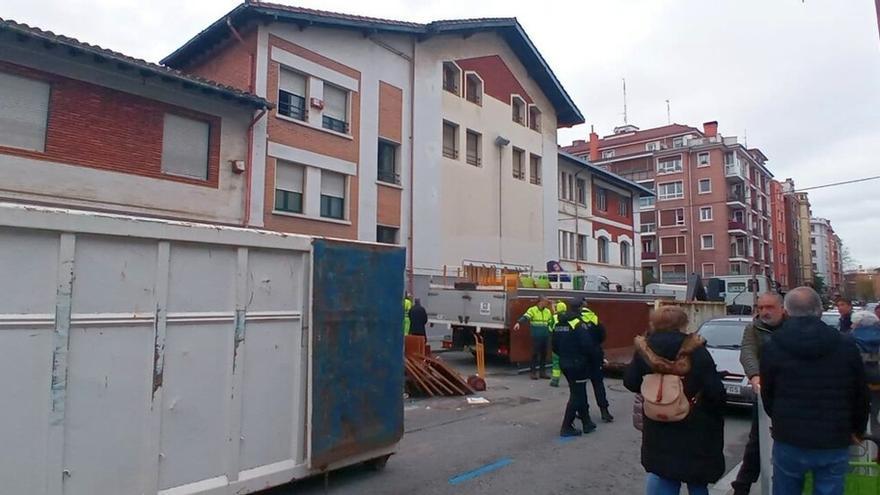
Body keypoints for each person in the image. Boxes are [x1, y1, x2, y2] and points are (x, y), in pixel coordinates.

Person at [761, 287, 869, 495]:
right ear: (819, 310)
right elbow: (859, 392)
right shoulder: (845, 344)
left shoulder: (773, 344)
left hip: (790, 436)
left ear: (787, 311)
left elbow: (768, 392)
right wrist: (857, 428)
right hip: (834, 436)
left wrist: (778, 419)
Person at [624, 306, 726, 495]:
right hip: (694, 425)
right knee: (697, 480)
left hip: (658, 425)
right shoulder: (696, 350)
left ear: (654, 323)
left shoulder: (644, 350)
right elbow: (715, 392)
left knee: (663, 474)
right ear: (683, 323)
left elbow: (630, 382)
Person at [731, 293, 786, 495]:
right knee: (757, 440)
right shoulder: (754, 328)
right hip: (765, 392)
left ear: (782, 308)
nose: (764, 312)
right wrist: (755, 376)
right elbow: (747, 351)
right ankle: (742, 486)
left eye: (769, 307)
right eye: (760, 307)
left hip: (792, 391)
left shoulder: (793, 327)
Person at [552, 299, 598, 436]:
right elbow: (587, 345)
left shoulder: (559, 322)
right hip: (577, 363)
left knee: (579, 391)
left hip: (565, 362)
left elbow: (554, 345)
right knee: (577, 394)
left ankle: (586, 422)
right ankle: (566, 426)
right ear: (580, 308)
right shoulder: (578, 324)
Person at [580, 298, 613, 423]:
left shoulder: (574, 320)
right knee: (598, 383)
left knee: (580, 386)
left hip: (581, 356)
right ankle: (604, 411)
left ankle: (582, 412)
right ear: (586, 305)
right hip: (595, 354)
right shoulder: (594, 318)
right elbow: (602, 335)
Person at [852, 311, 880, 434]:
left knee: (861, 415)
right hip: (878, 384)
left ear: (857, 324)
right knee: (876, 415)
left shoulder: (850, 339)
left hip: (859, 385)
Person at [514, 296, 553, 380]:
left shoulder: (548, 311)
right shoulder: (532, 310)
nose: (546, 303)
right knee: (534, 354)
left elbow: (550, 323)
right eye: (545, 301)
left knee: (544, 355)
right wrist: (518, 323)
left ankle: (542, 373)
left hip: (545, 336)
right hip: (536, 336)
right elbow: (526, 317)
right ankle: (533, 373)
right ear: (540, 302)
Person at [549, 300, 567, 388]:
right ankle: (571, 380)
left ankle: (555, 381)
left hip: (556, 343)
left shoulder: (554, 317)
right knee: (567, 362)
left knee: (556, 363)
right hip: (567, 344)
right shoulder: (570, 317)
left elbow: (550, 328)